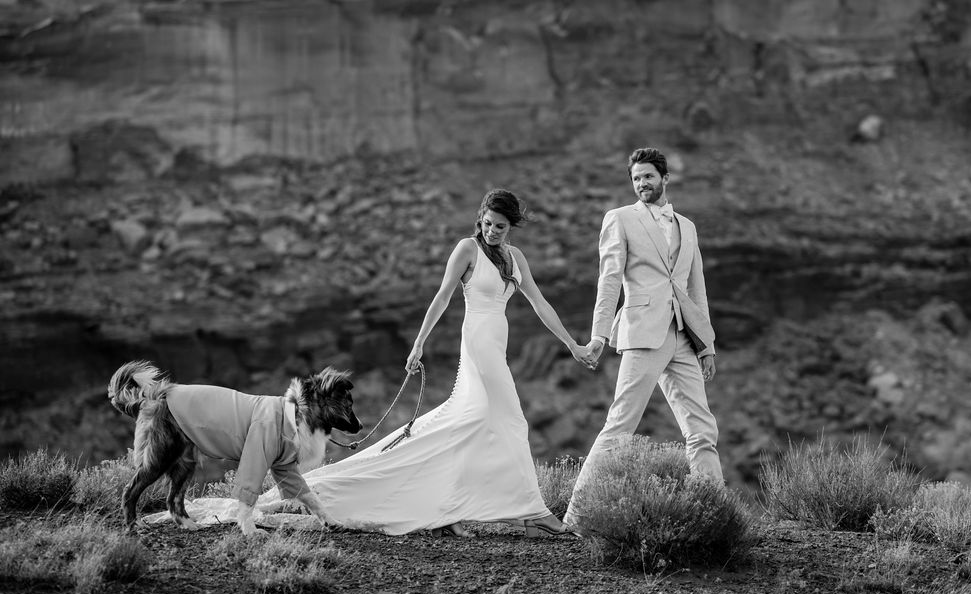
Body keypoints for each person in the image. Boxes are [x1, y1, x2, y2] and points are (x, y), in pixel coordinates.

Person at [158, 189, 590, 537]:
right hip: (477, 344)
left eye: (501, 226)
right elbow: (441, 297)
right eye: (488, 224)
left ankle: (457, 502)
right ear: (480, 219)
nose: (493, 231)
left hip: (498, 342)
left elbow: (539, 302)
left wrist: (573, 345)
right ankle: (531, 510)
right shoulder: (467, 249)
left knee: (472, 424)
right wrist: (418, 343)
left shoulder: (516, 259)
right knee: (511, 420)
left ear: (512, 227)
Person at [563, 147, 724, 532]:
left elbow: (695, 290)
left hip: (683, 336)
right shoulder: (619, 219)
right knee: (620, 425)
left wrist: (707, 344)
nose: (642, 184)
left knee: (702, 429)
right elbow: (609, 280)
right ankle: (576, 517)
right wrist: (599, 334)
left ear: (665, 178)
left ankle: (716, 513)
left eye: (648, 177)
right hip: (642, 333)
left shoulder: (687, 226)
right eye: (636, 179)